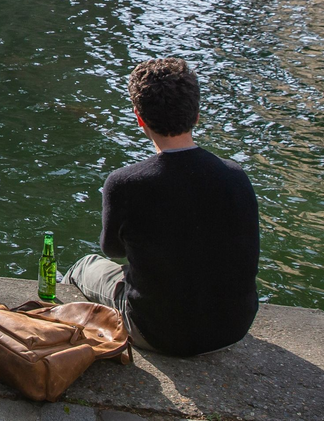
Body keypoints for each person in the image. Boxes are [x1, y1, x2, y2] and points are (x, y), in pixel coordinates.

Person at [63, 58, 260, 357]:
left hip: (157, 333)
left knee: (84, 266)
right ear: (196, 115)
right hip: (233, 328)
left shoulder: (125, 183)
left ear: (139, 118)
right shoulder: (236, 176)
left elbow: (112, 250)